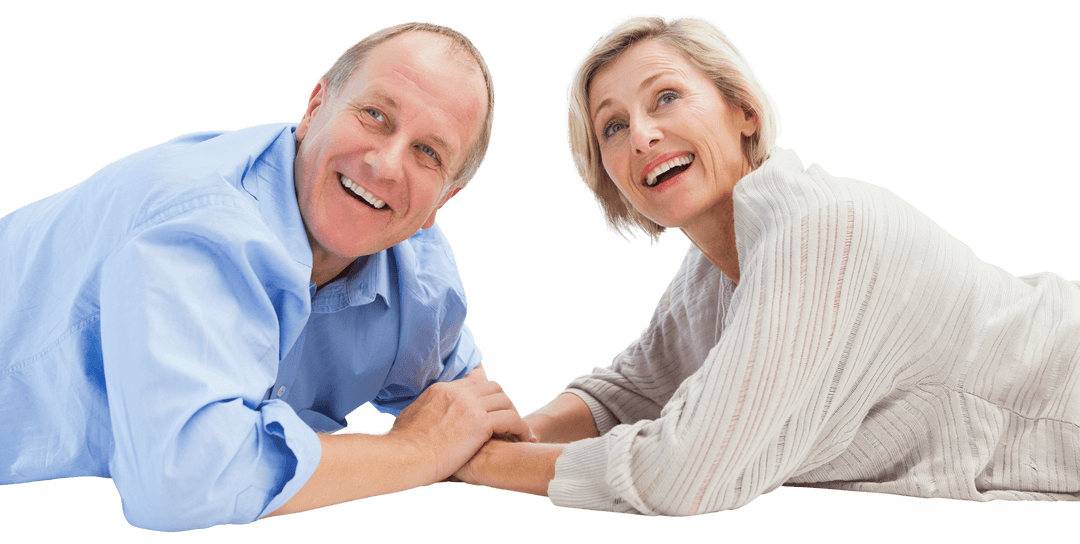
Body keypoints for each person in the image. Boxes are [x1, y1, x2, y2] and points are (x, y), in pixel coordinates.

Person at [451, 13, 1080, 516]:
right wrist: (508, 433)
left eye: (665, 97)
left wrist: (470, 461)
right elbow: (629, 396)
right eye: (612, 127)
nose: (641, 135)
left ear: (743, 111)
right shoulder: (712, 273)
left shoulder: (821, 228)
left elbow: (688, 473)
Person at [0, 21, 532, 531]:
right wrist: (414, 450)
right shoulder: (196, 223)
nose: (387, 164)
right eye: (375, 115)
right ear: (316, 107)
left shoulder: (420, 276)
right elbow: (181, 484)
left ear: (444, 199)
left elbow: (470, 421)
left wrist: (569, 455)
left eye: (428, 152)